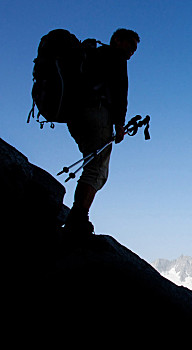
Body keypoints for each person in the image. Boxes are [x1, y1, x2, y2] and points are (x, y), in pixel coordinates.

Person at [64, 28, 140, 237]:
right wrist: (119, 126)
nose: (133, 51)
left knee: (91, 161)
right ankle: (78, 217)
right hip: (96, 112)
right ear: (117, 40)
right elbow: (120, 95)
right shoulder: (116, 58)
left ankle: (77, 214)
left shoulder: (93, 54)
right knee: (97, 168)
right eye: (131, 45)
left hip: (75, 114)